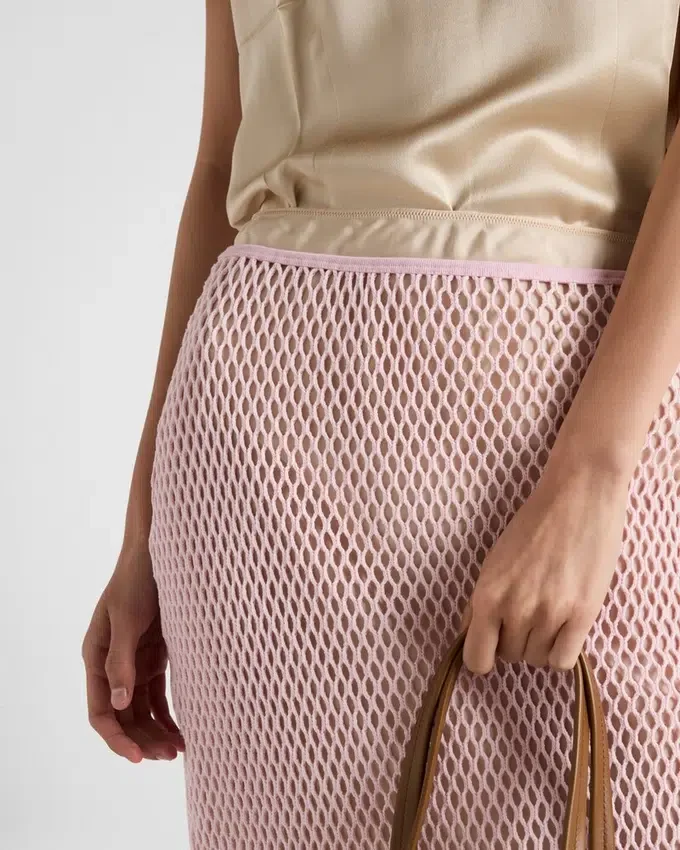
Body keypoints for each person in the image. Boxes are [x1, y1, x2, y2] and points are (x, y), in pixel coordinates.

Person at [82, 1, 680, 847]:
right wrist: (142, 531)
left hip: (572, 412)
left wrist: (592, 476)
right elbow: (222, 155)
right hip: (256, 464)